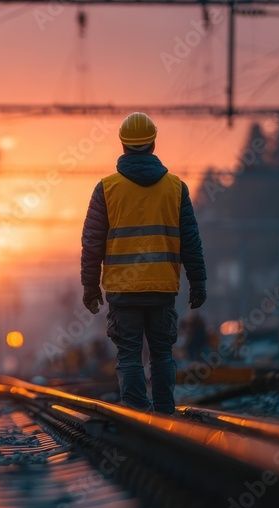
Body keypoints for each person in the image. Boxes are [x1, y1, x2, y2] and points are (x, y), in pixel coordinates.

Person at [80, 112, 207, 414]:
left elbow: (92, 243)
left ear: (123, 145)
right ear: (152, 144)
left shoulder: (106, 189)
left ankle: (137, 415)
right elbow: (191, 240)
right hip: (162, 288)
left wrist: (90, 286)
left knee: (129, 355)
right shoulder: (176, 188)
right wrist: (198, 281)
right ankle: (164, 415)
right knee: (162, 354)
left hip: (123, 291)